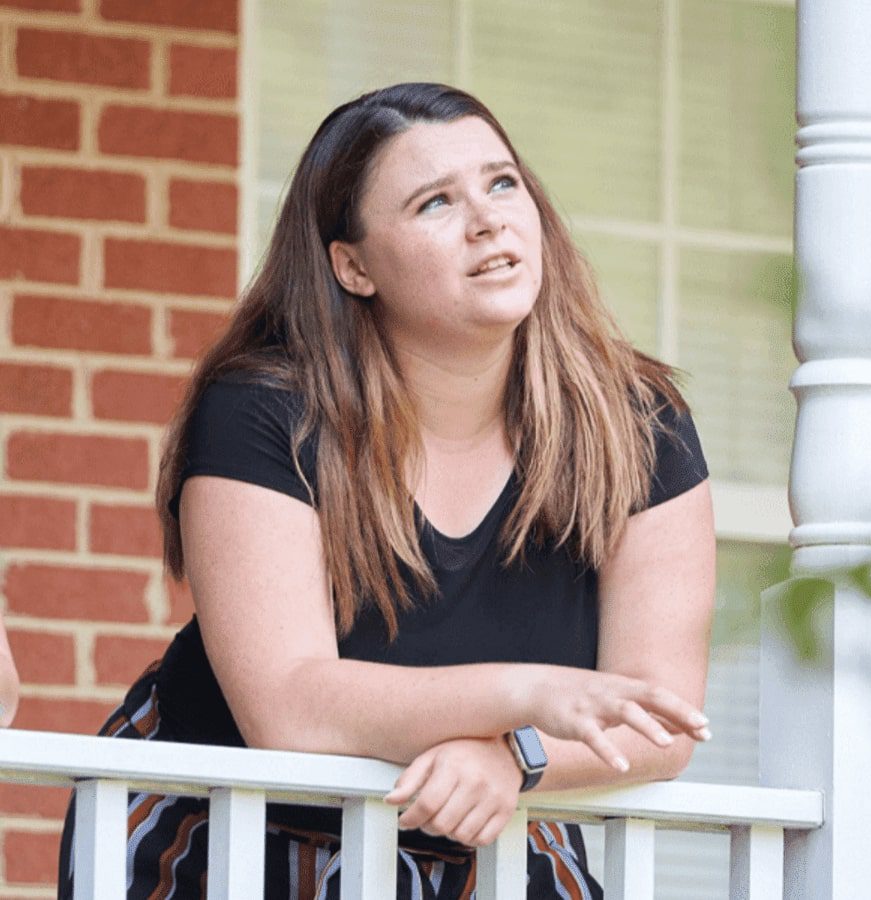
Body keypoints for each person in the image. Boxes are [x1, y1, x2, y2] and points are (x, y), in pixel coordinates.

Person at [58, 82, 715, 899]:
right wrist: (523, 697)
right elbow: (289, 711)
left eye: (502, 182)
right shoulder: (266, 409)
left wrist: (516, 754)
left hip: (485, 820)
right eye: (435, 202)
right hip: (230, 822)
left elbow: (659, 719)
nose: (487, 219)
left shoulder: (639, 426)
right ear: (354, 265)